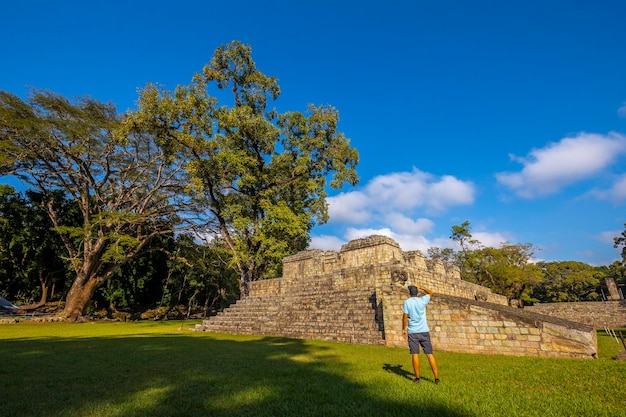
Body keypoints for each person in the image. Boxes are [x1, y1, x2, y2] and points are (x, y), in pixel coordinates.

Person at [402, 284, 440, 384]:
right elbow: (431, 293)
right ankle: (436, 378)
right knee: (429, 354)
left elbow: (405, 317)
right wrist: (422, 287)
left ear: (409, 293)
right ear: (417, 292)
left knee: (415, 354)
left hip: (413, 332)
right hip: (424, 330)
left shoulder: (407, 302)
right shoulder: (423, 300)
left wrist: (403, 329)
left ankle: (417, 378)